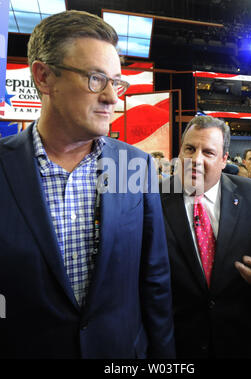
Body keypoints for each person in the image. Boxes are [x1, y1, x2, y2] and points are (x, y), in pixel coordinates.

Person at [0, 10, 175, 359]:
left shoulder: (134, 164)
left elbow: (154, 281)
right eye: (96, 79)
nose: (113, 98)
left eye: (117, 82)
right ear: (44, 76)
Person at [160, 115, 251, 359]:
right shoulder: (151, 198)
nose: (196, 160)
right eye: (190, 149)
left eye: (208, 152)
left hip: (245, 342)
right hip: (177, 344)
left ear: (225, 159)